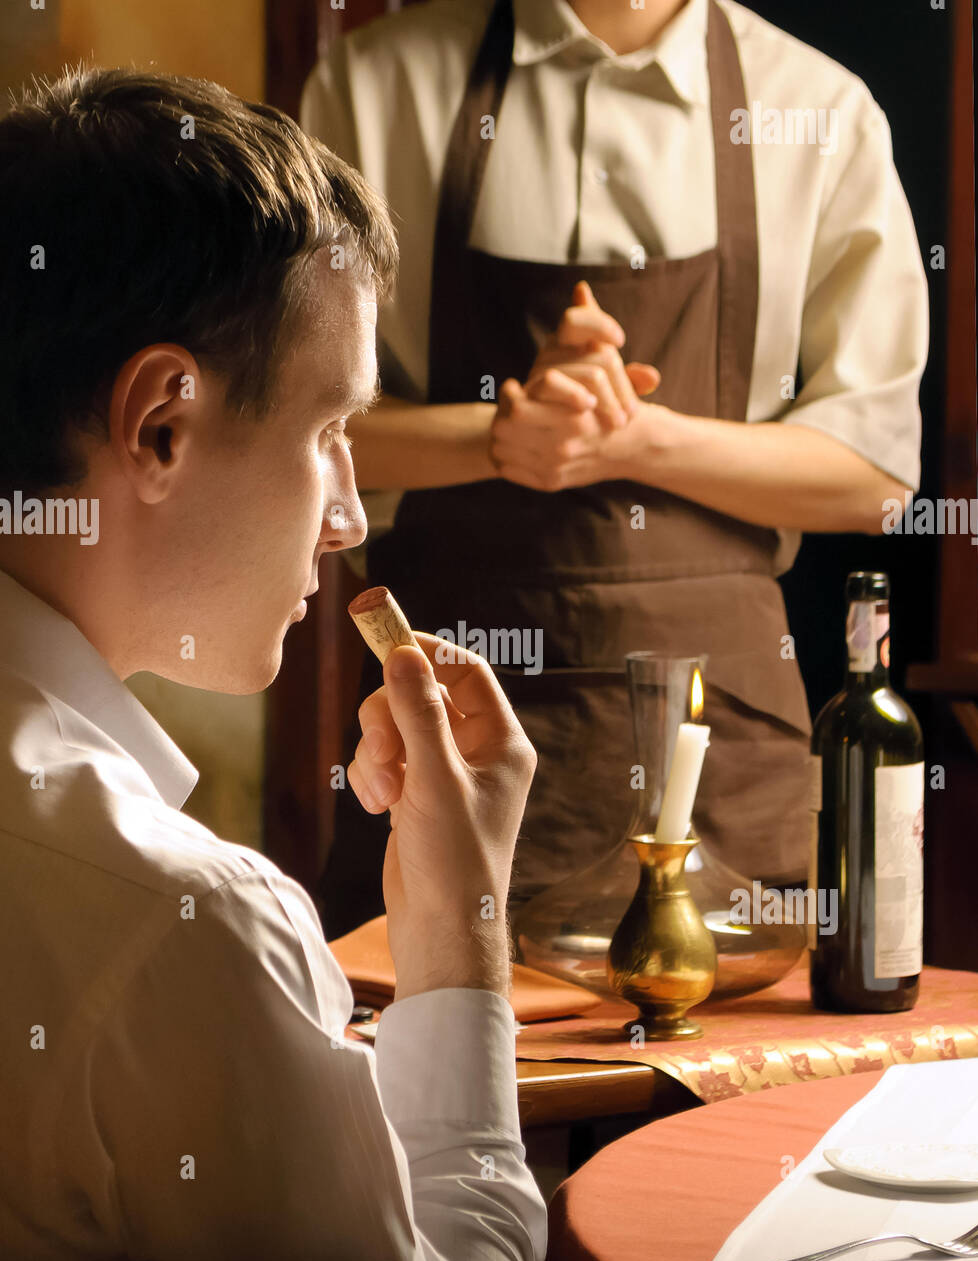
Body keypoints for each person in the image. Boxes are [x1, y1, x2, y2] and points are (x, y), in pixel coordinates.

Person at [0, 66, 546, 1261]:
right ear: (161, 427)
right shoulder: (185, 926)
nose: (348, 515)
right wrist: (461, 937)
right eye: (328, 429)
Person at [302, 0, 929, 938]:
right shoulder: (374, 87)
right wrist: (497, 435)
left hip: (726, 752)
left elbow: (876, 478)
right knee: (422, 1070)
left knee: (747, 1084)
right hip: (450, 730)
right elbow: (286, 423)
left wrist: (635, 440)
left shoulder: (820, 109)